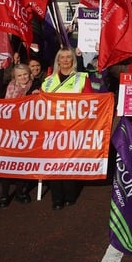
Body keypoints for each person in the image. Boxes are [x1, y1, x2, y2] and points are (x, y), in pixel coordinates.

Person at [41, 47, 93, 210]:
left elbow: (89, 102)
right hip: (52, 128)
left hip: (72, 128)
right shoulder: (48, 81)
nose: (65, 60)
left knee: (69, 162)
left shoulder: (82, 78)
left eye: (68, 57)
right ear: (57, 61)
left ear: (73, 60)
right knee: (53, 164)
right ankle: (57, 198)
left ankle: (70, 194)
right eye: (62, 57)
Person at [0, 62, 41, 208]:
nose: (23, 77)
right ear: (15, 77)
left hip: (26, 132)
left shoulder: (35, 85)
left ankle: (20, 192)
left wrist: (38, 94)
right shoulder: (8, 87)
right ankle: (4, 194)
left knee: (22, 163)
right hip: (8, 132)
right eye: (20, 75)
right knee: (6, 164)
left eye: (25, 74)